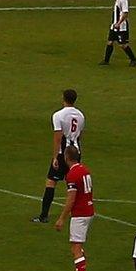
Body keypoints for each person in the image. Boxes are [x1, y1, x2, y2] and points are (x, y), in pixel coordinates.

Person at [32, 89, 86, 224]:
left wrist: (55, 157)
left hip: (64, 153)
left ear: (63, 98)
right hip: (76, 152)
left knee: (51, 182)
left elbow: (58, 137)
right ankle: (79, 212)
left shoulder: (58, 115)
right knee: (74, 184)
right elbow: (80, 135)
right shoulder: (80, 115)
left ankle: (44, 215)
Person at [56, 144, 95, 271]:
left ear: (66, 157)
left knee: (76, 248)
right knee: (76, 246)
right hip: (89, 210)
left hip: (80, 214)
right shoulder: (85, 170)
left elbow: (71, 199)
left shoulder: (72, 175)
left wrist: (61, 218)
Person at [103, 0, 136, 66]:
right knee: (110, 42)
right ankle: (106, 61)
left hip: (121, 27)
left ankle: (134, 60)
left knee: (123, 45)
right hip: (114, 26)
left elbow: (125, 13)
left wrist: (119, 23)